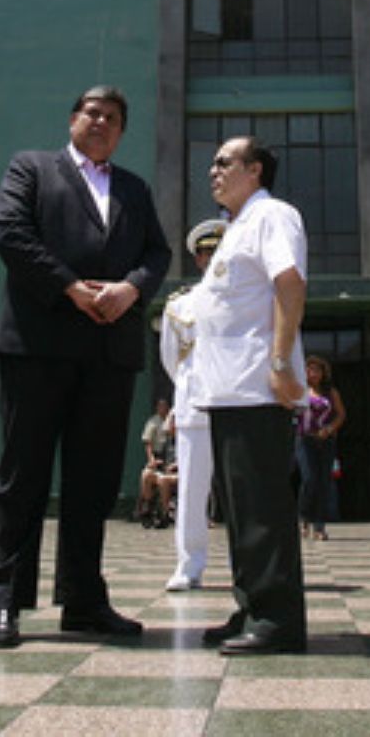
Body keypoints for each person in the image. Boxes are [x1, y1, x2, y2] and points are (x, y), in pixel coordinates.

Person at [0, 86, 171, 649]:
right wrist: (68, 286)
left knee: (93, 485)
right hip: (38, 347)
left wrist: (131, 288)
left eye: (113, 118)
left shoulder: (134, 188)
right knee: (24, 478)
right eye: (92, 113)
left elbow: (157, 254)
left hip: (109, 355)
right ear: (72, 119)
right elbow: (10, 233)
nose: (101, 122)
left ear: (121, 132)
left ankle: (84, 601)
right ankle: (6, 603)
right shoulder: (32, 169)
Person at [191, 135, 309, 654]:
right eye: (213, 163)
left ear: (255, 170)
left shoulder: (273, 215)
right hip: (226, 392)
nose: (213, 171)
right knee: (239, 512)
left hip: (258, 387)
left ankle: (278, 620)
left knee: (263, 510)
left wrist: (281, 363)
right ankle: (251, 607)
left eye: (224, 162)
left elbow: (289, 286)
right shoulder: (235, 227)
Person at [161, 217, 226, 591]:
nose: (213, 257)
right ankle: (189, 565)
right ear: (199, 259)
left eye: (219, 250)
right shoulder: (180, 305)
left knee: (245, 493)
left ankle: (252, 568)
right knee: (191, 490)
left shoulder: (249, 295)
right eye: (207, 252)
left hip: (240, 403)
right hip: (196, 406)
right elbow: (173, 360)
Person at [296, 355, 345, 541]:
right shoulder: (299, 390)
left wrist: (330, 428)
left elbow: (341, 414)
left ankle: (319, 526)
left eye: (317, 370)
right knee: (309, 479)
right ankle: (303, 519)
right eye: (309, 370)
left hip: (325, 440)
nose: (313, 373)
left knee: (324, 482)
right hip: (304, 439)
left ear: (323, 373)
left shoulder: (330, 392)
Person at [137, 398, 177, 526]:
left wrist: (175, 465)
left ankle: (164, 514)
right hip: (162, 465)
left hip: (176, 472)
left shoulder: (183, 440)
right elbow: (149, 444)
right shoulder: (155, 425)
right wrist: (154, 461)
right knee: (146, 474)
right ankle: (147, 508)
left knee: (163, 480)